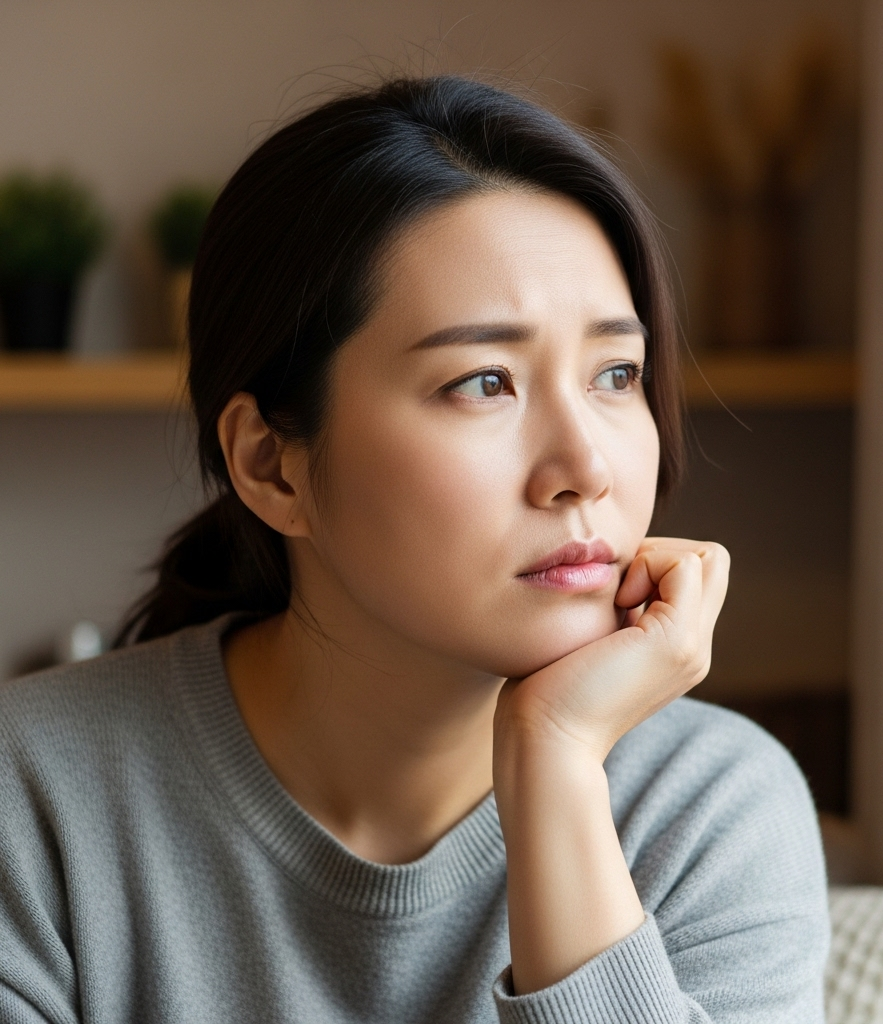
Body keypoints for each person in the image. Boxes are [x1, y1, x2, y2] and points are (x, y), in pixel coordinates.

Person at [0, 76, 829, 1023]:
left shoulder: (710, 809)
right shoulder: (30, 799)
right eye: (483, 382)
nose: (585, 467)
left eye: (616, 373)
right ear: (273, 466)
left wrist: (554, 767)